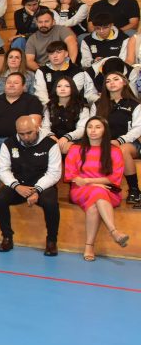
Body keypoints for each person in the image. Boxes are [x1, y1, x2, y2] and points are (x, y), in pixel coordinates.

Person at [0, 116, 63, 256]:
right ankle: (7, 237)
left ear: (37, 128)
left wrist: (37, 190)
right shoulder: (9, 143)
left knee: (51, 203)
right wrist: (16, 186)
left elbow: (54, 173)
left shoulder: (50, 144)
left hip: (43, 185)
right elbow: (2, 169)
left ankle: (51, 241)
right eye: (21, 134)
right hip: (19, 185)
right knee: (0, 199)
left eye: (29, 133)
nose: (25, 137)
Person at [65, 117, 130, 260]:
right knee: (98, 191)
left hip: (108, 191)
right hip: (80, 191)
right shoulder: (75, 149)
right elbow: (72, 176)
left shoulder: (114, 151)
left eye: (98, 127)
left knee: (94, 204)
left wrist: (89, 181)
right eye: (90, 127)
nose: (93, 130)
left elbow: (114, 178)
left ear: (105, 130)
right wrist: (94, 184)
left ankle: (89, 247)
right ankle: (114, 232)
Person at [0, 72, 43, 193]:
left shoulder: (32, 100)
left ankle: (19, 185)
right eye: (9, 82)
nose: (11, 85)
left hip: (19, 141)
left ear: (23, 86)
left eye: (16, 83)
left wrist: (20, 139)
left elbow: (34, 122)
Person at [95, 71, 141, 204]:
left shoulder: (135, 104)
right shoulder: (98, 104)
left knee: (121, 150)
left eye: (116, 79)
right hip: (103, 143)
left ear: (124, 82)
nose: (112, 83)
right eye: (108, 81)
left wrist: (120, 140)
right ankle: (101, 186)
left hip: (130, 143)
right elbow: (92, 124)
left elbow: (138, 128)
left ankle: (134, 190)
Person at [33, 40, 98, 105]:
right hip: (47, 106)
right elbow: (40, 93)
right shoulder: (41, 71)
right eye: (51, 53)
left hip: (72, 106)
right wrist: (50, 106)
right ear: (48, 56)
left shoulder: (77, 71)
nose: (55, 56)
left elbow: (72, 92)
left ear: (66, 54)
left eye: (58, 52)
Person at [41, 78, 91, 155]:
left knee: (67, 148)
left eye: (67, 86)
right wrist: (51, 136)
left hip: (75, 139)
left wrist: (67, 137)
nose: (62, 89)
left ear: (73, 88)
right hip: (53, 138)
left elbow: (82, 128)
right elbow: (45, 127)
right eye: (59, 86)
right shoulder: (49, 106)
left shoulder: (82, 107)